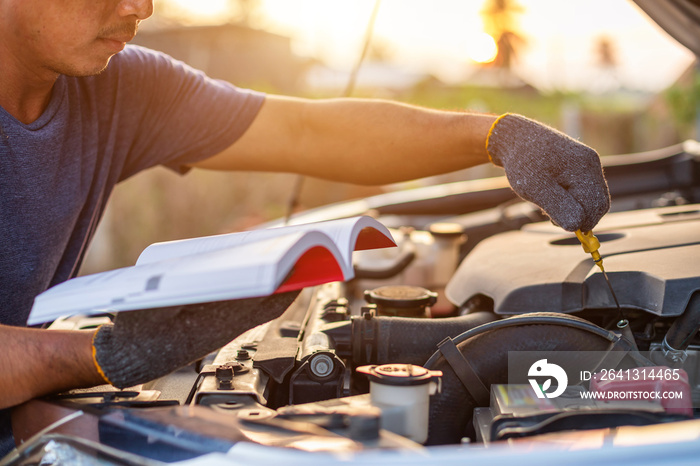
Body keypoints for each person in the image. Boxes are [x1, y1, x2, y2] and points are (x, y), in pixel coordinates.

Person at [0, 0, 610, 454]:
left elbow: (309, 131)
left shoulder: (119, 85)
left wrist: (493, 136)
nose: (141, 8)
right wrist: (102, 355)